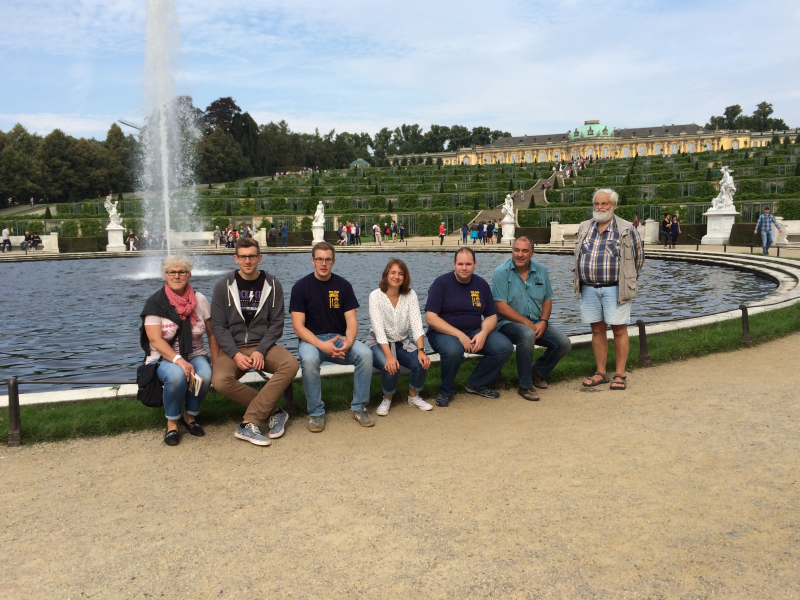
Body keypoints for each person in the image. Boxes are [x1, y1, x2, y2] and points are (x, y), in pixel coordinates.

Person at [210, 238, 298, 446]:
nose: (247, 261)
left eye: (251, 256)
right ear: (236, 258)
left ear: (260, 258)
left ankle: (249, 422)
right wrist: (235, 354)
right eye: (243, 257)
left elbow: (277, 324)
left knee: (290, 364)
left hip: (263, 345)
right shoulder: (223, 286)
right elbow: (218, 326)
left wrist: (261, 350)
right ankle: (275, 411)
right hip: (234, 348)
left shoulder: (272, 284)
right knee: (220, 381)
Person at [290, 241, 374, 431]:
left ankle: (359, 407)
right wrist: (322, 345)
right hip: (312, 340)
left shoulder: (343, 286)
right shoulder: (300, 287)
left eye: (328, 259)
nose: (323, 263)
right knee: (309, 359)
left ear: (333, 261)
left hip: (339, 339)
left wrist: (349, 342)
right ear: (312, 260)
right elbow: (298, 327)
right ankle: (316, 413)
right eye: (319, 259)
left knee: (365, 354)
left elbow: (352, 322)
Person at [141, 255, 217, 446]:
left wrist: (216, 361)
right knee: (176, 376)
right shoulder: (155, 303)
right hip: (162, 357)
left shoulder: (199, 300)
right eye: (172, 272)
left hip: (195, 352)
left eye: (181, 272)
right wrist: (179, 360)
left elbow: (212, 334)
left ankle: (189, 415)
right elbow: (155, 340)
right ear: (165, 275)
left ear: (189, 275)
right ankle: (172, 422)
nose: (177, 276)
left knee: (205, 375)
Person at [425, 247, 513, 407]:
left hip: (474, 331)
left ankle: (476, 383)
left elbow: (491, 316)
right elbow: (431, 318)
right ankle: (445, 391)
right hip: (442, 333)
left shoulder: (481, 284)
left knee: (504, 347)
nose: (464, 268)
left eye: (468, 264)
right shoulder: (441, 283)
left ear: (475, 264)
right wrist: (460, 336)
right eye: (460, 264)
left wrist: (483, 333)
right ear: (454, 264)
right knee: (453, 351)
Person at [576, 189, 645, 391]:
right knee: (597, 330)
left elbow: (638, 258)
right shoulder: (585, 227)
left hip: (615, 289)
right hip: (589, 288)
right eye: (596, 204)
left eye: (604, 204)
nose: (599, 207)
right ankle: (600, 373)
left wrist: (628, 280)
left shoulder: (626, 228)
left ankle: (620, 374)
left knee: (619, 330)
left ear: (613, 205)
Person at [492, 237, 572, 401]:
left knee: (564, 344)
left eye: (524, 251)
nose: (519, 254)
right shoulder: (501, 272)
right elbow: (500, 306)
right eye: (516, 250)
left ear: (532, 253)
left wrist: (543, 321)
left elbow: (547, 299)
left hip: (536, 322)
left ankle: (537, 370)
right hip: (507, 324)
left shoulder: (541, 270)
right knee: (527, 334)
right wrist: (527, 323)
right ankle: (525, 385)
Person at [367, 259, 432, 416]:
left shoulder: (410, 295)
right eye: (393, 273)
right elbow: (378, 329)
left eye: (401, 274)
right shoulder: (375, 296)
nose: (396, 277)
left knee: (421, 363)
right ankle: (387, 398)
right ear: (386, 275)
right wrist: (389, 356)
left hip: (402, 341)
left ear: (405, 277)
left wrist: (421, 350)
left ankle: (413, 396)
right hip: (378, 342)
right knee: (391, 367)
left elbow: (417, 324)